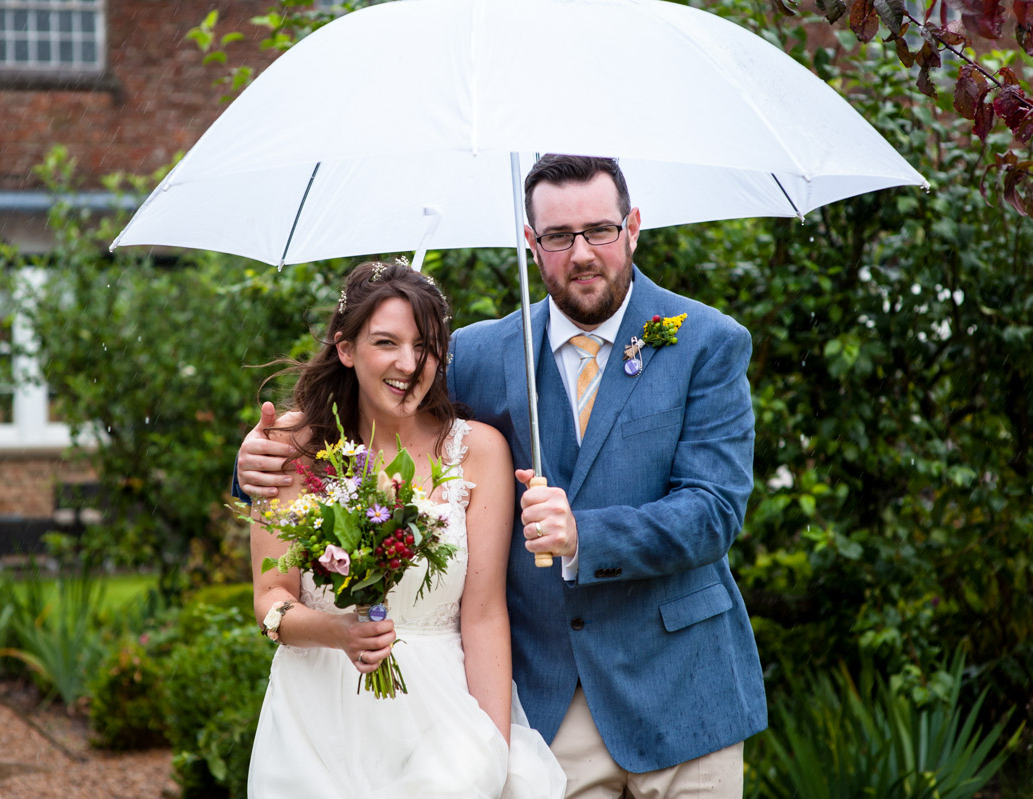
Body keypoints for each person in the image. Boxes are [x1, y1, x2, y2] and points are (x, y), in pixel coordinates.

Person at [239, 156, 767, 799]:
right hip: (551, 701)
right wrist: (262, 459)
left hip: (684, 692)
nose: (581, 253)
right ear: (530, 242)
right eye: (557, 236)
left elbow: (714, 510)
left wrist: (582, 535)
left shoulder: (707, 341)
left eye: (599, 230)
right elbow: (378, 412)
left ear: (632, 226)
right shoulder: (477, 353)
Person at [246, 260, 566, 799]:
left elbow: (484, 612)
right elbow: (269, 598)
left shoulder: (479, 451)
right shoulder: (293, 447)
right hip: (315, 717)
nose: (408, 363)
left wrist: (492, 745)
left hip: (440, 717)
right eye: (386, 343)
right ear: (346, 350)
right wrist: (337, 632)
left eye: (425, 345)